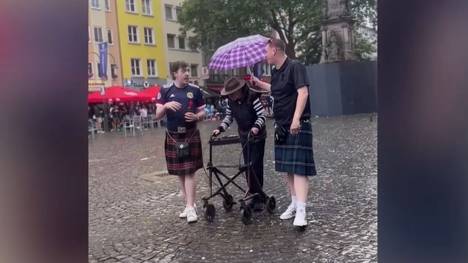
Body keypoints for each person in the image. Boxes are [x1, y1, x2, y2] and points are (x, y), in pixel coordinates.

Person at [248, 38, 317, 227]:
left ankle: (302, 211)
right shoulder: (276, 72)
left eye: (266, 51)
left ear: (275, 50)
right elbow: (276, 90)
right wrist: (259, 83)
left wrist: (296, 119)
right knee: (288, 169)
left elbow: (303, 93)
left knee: (299, 169)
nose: (264, 55)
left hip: (297, 125)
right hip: (282, 125)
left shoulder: (296, 67)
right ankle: (294, 203)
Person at [155, 61, 205, 223]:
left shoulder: (195, 90)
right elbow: (157, 115)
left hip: (190, 135)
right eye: (184, 71)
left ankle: (190, 207)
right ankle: (189, 205)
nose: (187, 74)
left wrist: (197, 117)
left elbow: (202, 111)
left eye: (188, 70)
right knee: (180, 174)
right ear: (175, 73)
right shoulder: (165, 90)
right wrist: (166, 106)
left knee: (189, 171)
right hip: (173, 136)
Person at [212, 77, 267, 211]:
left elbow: (262, 116)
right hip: (244, 136)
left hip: (257, 136)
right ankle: (253, 193)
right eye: (229, 94)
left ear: (240, 90)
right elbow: (229, 117)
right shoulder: (230, 101)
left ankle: (258, 197)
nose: (231, 96)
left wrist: (256, 127)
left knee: (255, 165)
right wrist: (220, 129)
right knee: (247, 166)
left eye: (233, 93)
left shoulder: (252, 98)